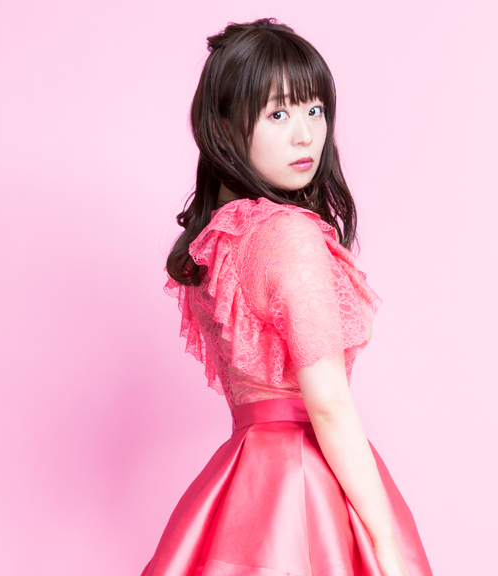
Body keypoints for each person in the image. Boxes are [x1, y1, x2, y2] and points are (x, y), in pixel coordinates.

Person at [144, 18, 433, 576]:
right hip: (308, 481)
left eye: (314, 110)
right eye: (278, 114)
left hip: (244, 483)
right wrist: (385, 544)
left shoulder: (218, 240)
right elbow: (326, 402)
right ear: (224, 125)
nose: (306, 136)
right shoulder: (288, 234)